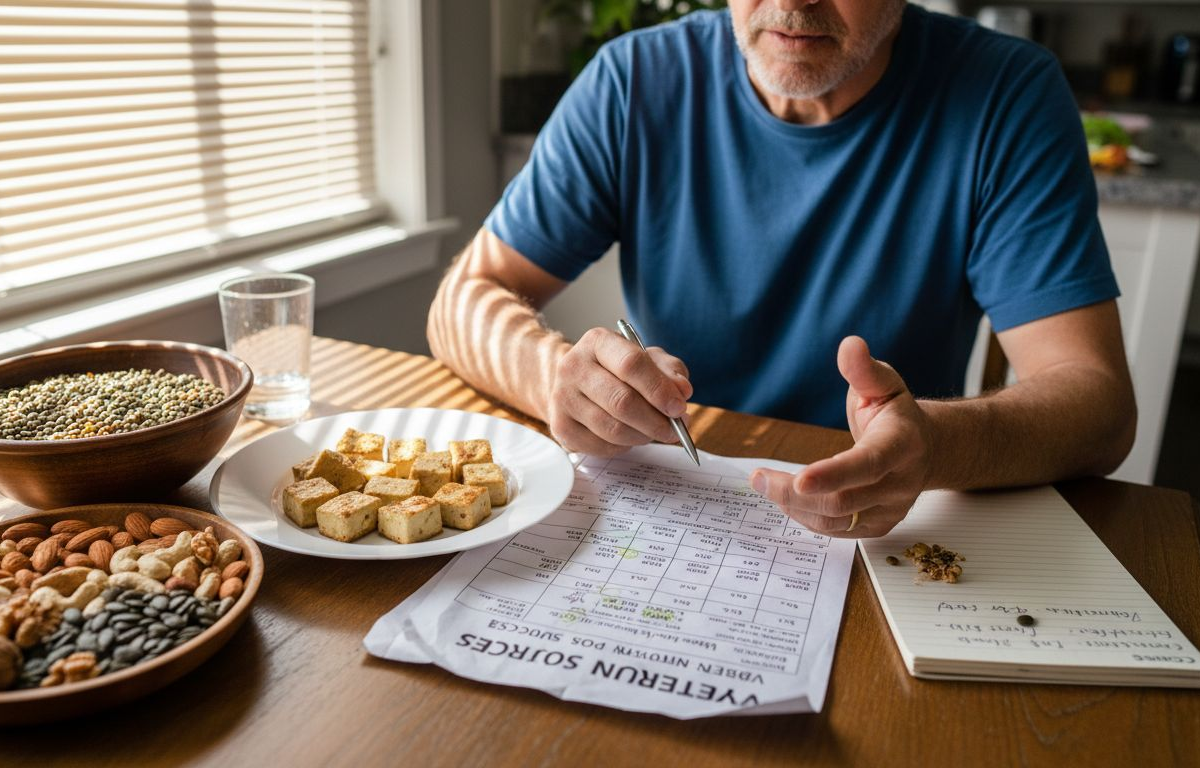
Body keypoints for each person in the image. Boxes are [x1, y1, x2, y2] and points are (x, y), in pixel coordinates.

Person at [427, 0, 1136, 538]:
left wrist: (934, 446)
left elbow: (1096, 405)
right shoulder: (633, 81)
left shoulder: (1007, 95)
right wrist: (551, 376)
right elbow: (465, 298)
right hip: (675, 507)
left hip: (888, 531)